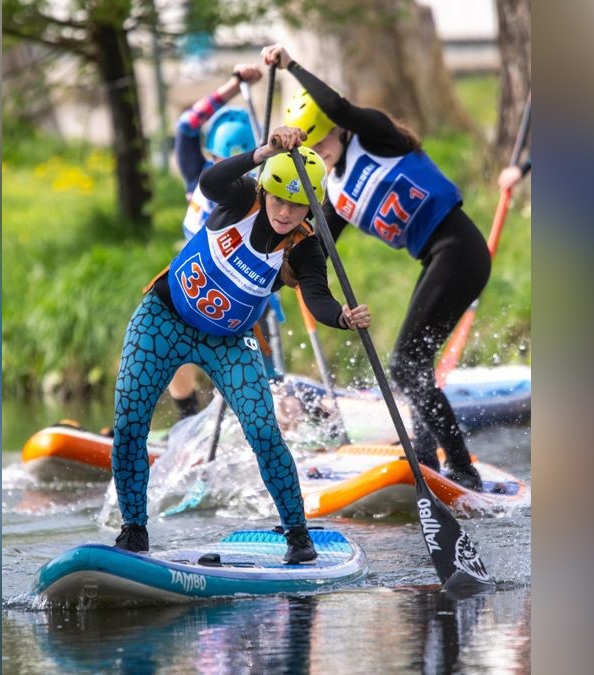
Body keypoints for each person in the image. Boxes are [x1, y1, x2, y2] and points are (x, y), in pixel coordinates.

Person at [111, 127, 371, 563]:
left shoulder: (304, 245)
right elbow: (208, 183)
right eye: (279, 200)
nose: (285, 212)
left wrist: (343, 318)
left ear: (310, 207)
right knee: (129, 424)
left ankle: (298, 537)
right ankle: (134, 530)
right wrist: (264, 152)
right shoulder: (243, 196)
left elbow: (318, 297)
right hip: (163, 318)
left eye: (297, 204)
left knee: (264, 432)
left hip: (229, 341)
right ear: (266, 191)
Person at [262, 44, 491, 490]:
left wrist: (290, 66)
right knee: (414, 363)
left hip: (461, 249)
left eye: (320, 141)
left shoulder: (376, 136)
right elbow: (317, 250)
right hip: (438, 258)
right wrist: (269, 275)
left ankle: (462, 467)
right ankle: (425, 459)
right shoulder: (337, 190)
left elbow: (339, 107)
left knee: (405, 363)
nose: (317, 152)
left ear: (337, 131)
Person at [168, 63, 265, 418]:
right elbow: (186, 125)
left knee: (257, 369)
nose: (231, 168)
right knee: (168, 343)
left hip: (242, 287)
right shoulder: (198, 175)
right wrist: (233, 86)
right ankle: (188, 417)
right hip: (195, 279)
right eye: (226, 159)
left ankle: (267, 419)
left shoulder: (258, 189)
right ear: (213, 156)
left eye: (239, 160)